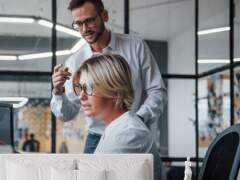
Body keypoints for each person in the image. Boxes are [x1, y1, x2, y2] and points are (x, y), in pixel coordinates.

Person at [51, 0, 166, 153]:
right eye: (78, 24)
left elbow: (157, 91)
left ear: (104, 16)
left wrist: (138, 119)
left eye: (89, 21)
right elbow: (67, 114)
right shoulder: (75, 62)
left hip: (130, 133)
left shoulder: (135, 47)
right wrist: (58, 92)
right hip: (96, 137)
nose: (84, 29)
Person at [72, 53, 163, 180]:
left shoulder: (128, 134)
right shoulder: (117, 128)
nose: (81, 96)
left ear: (115, 92)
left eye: (89, 88)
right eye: (80, 88)